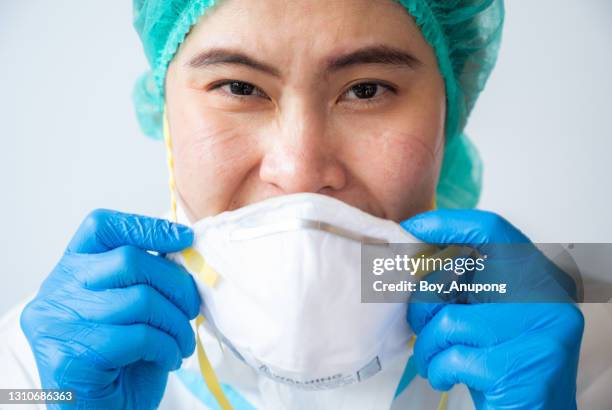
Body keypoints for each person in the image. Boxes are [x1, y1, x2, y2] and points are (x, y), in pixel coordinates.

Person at [1, 0, 611, 409]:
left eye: (367, 89)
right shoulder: (33, 370)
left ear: (448, 115)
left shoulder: (584, 354)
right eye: (239, 88)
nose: (297, 172)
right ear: (167, 118)